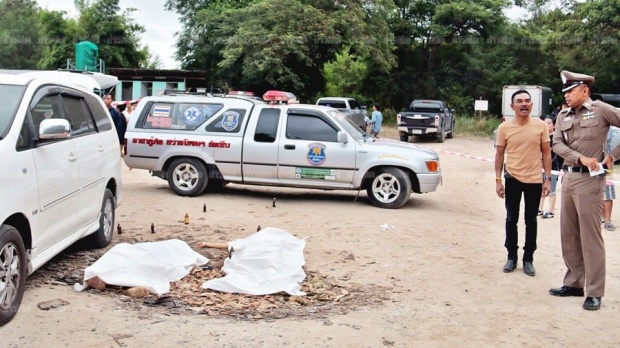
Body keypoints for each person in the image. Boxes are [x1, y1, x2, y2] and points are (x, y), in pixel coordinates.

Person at [549, 70, 620, 311]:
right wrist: (579, 158)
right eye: (565, 92)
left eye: (571, 91)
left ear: (585, 91)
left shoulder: (600, 109)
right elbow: (556, 143)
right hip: (568, 177)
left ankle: (594, 291)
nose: (567, 96)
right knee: (568, 235)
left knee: (590, 237)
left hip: (591, 182)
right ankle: (574, 283)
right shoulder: (563, 114)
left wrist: (612, 156)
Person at [495, 90, 552, 276]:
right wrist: (498, 180)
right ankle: (511, 256)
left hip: (534, 179)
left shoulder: (541, 126)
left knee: (531, 220)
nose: (524, 104)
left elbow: (546, 153)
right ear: (512, 106)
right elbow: (499, 154)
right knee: (511, 219)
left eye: (527, 101)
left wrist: (548, 179)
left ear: (532, 105)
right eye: (519, 101)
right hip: (512, 177)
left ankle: (528, 259)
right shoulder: (505, 128)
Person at [538, 114, 564, 219]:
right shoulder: (541, 136)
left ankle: (551, 210)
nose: (546, 125)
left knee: (552, 189)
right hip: (540, 167)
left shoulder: (556, 138)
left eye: (549, 123)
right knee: (541, 188)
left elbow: (557, 154)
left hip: (553, 167)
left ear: (554, 126)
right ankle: (539, 208)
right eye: (544, 123)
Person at [602, 128, 616, 231]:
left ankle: (608, 220)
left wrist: (610, 170)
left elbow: (610, 149)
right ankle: (602, 217)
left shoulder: (610, 130)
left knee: (608, 194)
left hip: (606, 163)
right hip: (590, 163)